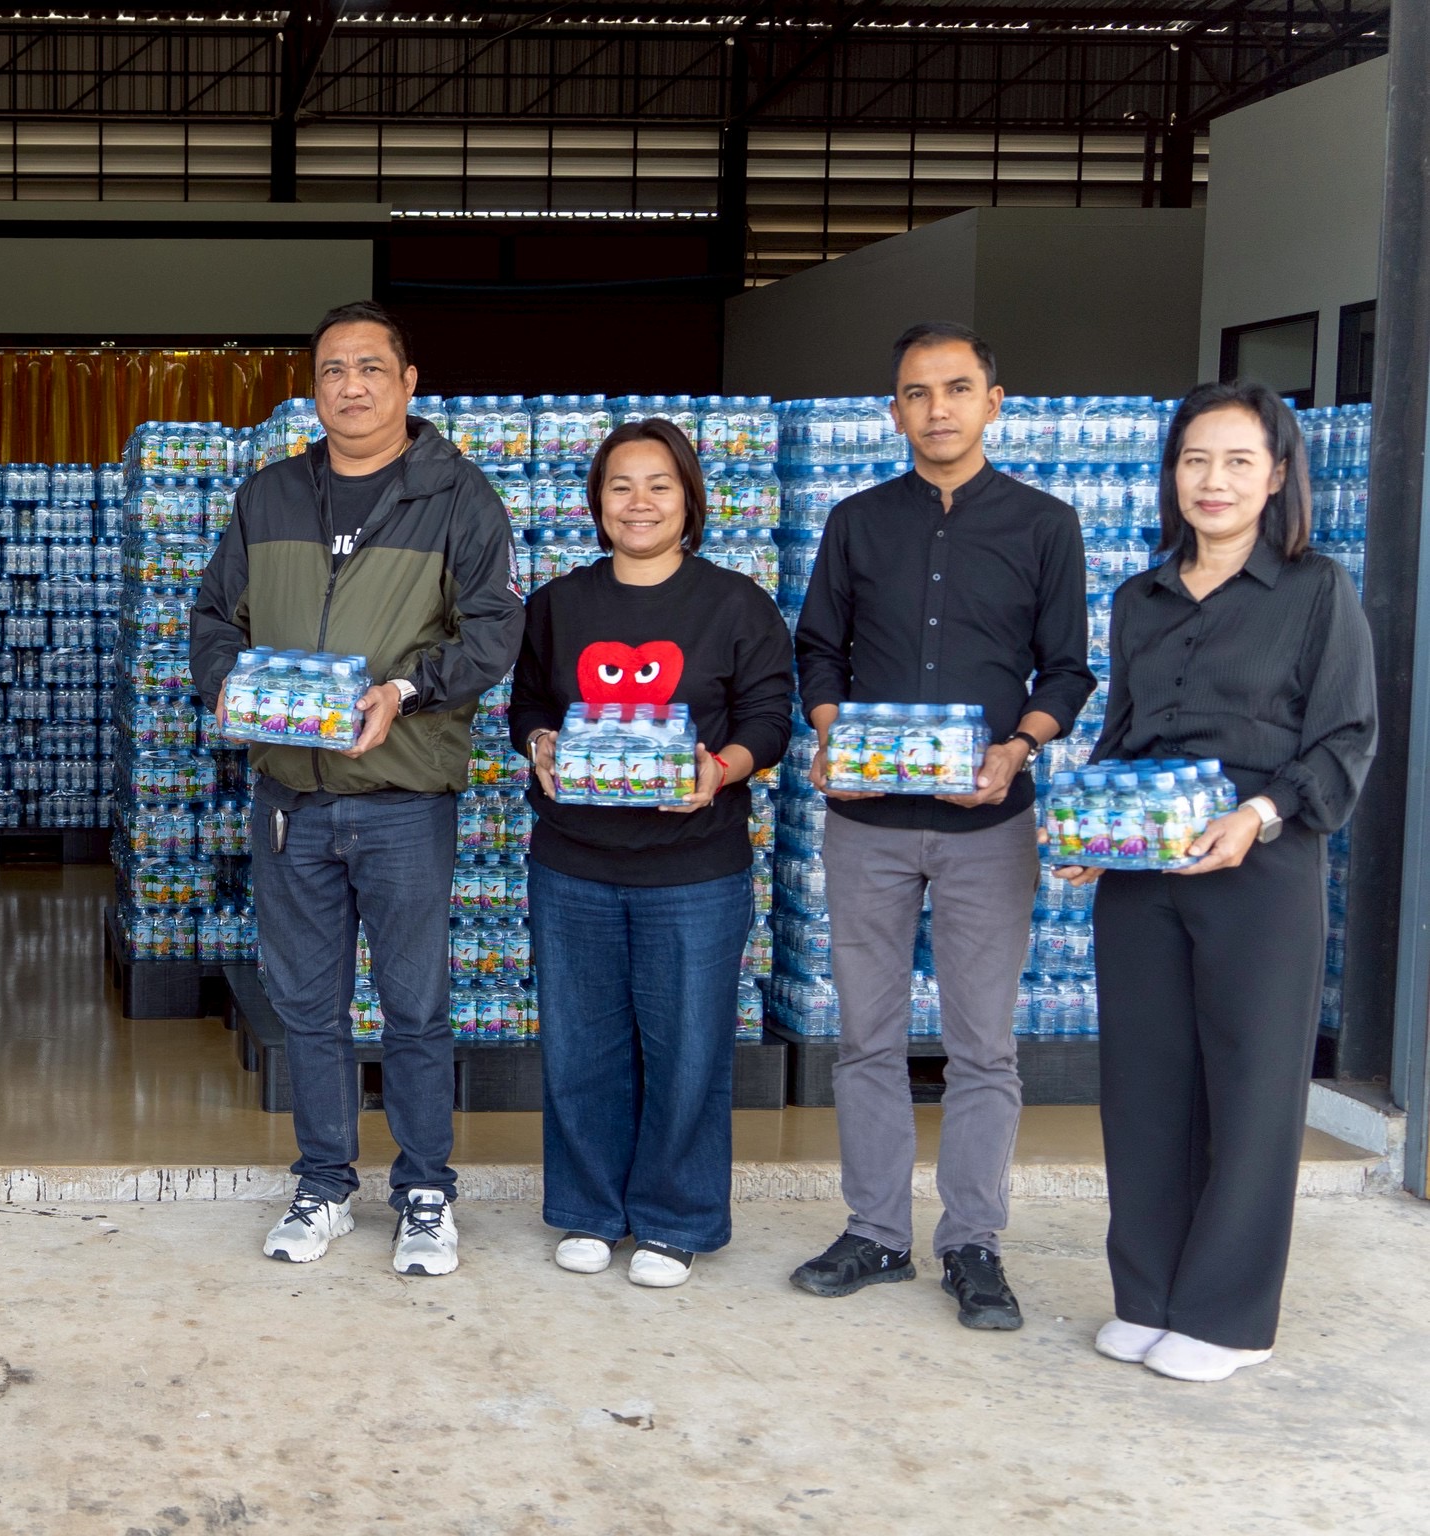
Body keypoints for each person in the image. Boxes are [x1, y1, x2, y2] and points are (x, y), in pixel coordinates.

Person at [189, 300, 522, 1277]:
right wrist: (232, 687)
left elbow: (495, 631)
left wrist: (406, 690)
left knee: (415, 1004)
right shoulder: (271, 496)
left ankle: (424, 1190)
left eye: (372, 367)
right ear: (314, 386)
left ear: (409, 382)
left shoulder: (461, 497)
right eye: (334, 369)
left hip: (402, 797)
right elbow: (215, 616)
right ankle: (325, 1182)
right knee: (308, 1005)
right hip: (291, 797)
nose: (353, 386)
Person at [1050, 381, 1374, 1382]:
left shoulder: (1318, 589)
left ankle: (1231, 1318)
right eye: (1196, 459)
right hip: (1144, 871)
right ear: (1171, 474)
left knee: (1250, 1086)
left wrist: (1260, 815)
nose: (1215, 481)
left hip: (1261, 862)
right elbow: (1124, 734)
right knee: (1144, 1086)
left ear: (1278, 476)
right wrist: (1089, 828)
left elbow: (1346, 735)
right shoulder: (1138, 598)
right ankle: (1147, 1294)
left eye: (1239, 461)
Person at [789, 322, 1095, 1330]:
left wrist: (1018, 748)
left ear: (994, 402)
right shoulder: (856, 521)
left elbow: (1066, 668)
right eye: (916, 393)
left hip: (987, 823)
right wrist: (833, 735)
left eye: (957, 389)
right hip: (868, 820)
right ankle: (876, 1231)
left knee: (983, 1046)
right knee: (866, 1039)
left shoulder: (1046, 524)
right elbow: (818, 649)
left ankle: (973, 1244)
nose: (938, 408)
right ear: (895, 412)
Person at [511, 418, 795, 1289]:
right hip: (574, 860)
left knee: (688, 1049)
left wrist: (722, 770)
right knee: (580, 1046)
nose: (639, 502)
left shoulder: (735, 603)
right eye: (621, 486)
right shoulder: (559, 604)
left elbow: (768, 720)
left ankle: (677, 1220)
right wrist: (541, 746)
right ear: (596, 503)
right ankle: (591, 1211)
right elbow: (526, 706)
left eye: (659, 485)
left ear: (690, 500)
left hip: (694, 867)